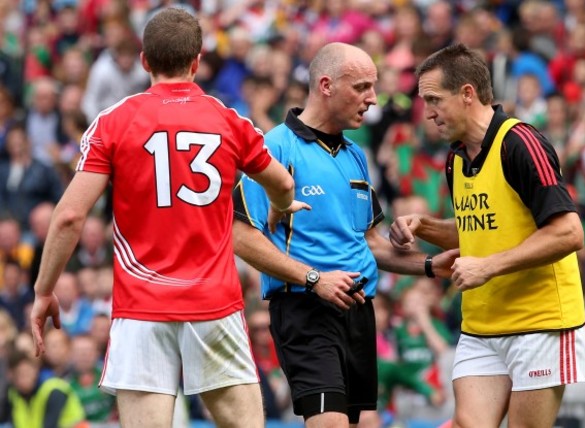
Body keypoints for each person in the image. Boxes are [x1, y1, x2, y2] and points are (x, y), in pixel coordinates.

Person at [30, 8, 299, 428]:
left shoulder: (114, 121)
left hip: (141, 308)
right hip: (213, 303)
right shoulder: (227, 119)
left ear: (144, 60)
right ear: (196, 61)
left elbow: (68, 217)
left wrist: (44, 290)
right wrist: (280, 208)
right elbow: (282, 183)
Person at [232, 42, 459, 427]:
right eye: (362, 87)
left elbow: (369, 245)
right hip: (306, 309)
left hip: (359, 312)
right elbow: (240, 235)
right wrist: (314, 279)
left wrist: (427, 265)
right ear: (326, 85)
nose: (372, 99)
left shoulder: (355, 155)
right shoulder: (275, 147)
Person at [389, 43, 585, 428]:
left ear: (467, 94)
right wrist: (425, 226)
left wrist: (489, 268)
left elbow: (568, 232)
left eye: (434, 100)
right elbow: (479, 231)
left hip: (540, 323)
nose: (427, 113)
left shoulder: (520, 143)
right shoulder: (456, 156)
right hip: (481, 325)